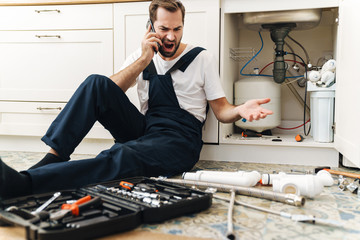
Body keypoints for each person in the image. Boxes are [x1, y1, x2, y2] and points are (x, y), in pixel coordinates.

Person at [0, 0, 273, 200]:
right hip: (146, 129)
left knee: (121, 154)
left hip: (179, 140)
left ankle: (25, 185)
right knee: (96, 82)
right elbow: (108, 90)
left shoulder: (202, 58)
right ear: (150, 26)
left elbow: (222, 110)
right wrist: (144, 59)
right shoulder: (142, 56)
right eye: (164, 29)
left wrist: (240, 111)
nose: (171, 36)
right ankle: (53, 158)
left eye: (177, 29)